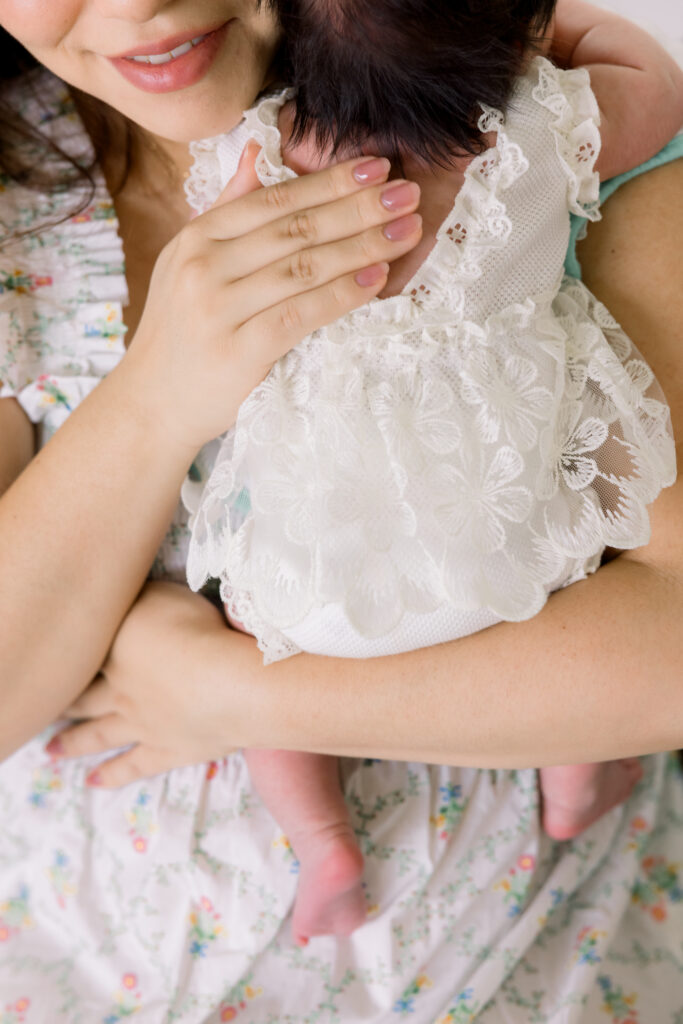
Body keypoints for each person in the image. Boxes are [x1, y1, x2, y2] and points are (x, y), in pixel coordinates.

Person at [0, 0, 682, 1018]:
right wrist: (154, 399)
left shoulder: (491, 88)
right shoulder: (23, 219)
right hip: (100, 965)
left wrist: (238, 695)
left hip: (532, 962)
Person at [176, 0, 682, 944]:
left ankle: (322, 841)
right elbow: (659, 96)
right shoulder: (541, 126)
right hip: (505, 554)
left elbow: (209, 248)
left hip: (312, 591)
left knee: (248, 624)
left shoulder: (260, 151)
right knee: (592, 524)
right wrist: (568, 38)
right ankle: (579, 771)